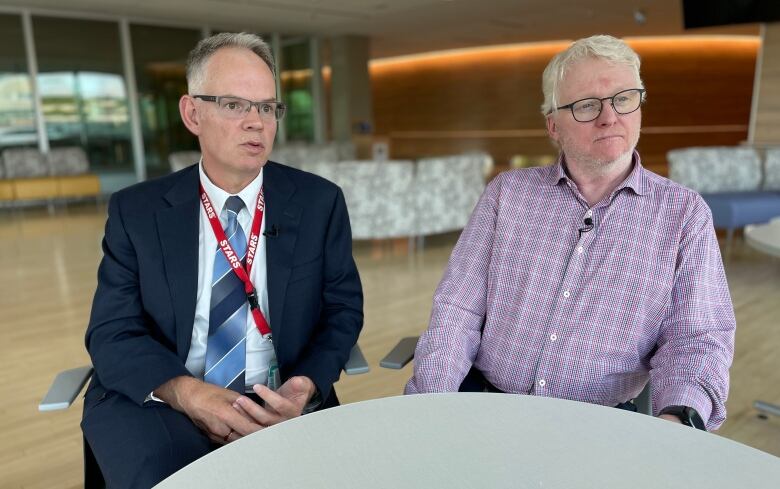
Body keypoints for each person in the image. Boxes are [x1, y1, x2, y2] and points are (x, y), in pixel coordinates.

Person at [405, 35, 735, 431]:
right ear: (553, 125)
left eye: (624, 98)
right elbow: (457, 312)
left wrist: (678, 417)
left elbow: (696, 339)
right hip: (482, 406)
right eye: (587, 105)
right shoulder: (506, 195)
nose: (609, 117)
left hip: (600, 427)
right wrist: (433, 406)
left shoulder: (683, 215)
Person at [81, 32, 363, 488]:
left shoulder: (318, 203)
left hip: (276, 399)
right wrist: (188, 393)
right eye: (235, 105)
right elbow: (111, 330)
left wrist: (306, 385)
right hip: (165, 397)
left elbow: (343, 311)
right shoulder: (137, 211)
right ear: (192, 113)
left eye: (268, 107)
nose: (257, 123)